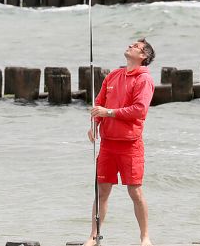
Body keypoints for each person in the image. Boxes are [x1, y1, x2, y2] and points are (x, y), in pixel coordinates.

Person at [84, 38, 156, 246]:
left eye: (135, 46)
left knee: (134, 191)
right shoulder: (114, 75)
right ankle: (93, 236)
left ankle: (145, 237)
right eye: (131, 44)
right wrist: (95, 123)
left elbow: (139, 109)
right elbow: (99, 103)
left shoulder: (144, 79)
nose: (130, 46)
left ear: (143, 56)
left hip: (130, 144)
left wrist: (109, 113)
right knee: (102, 190)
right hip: (107, 144)